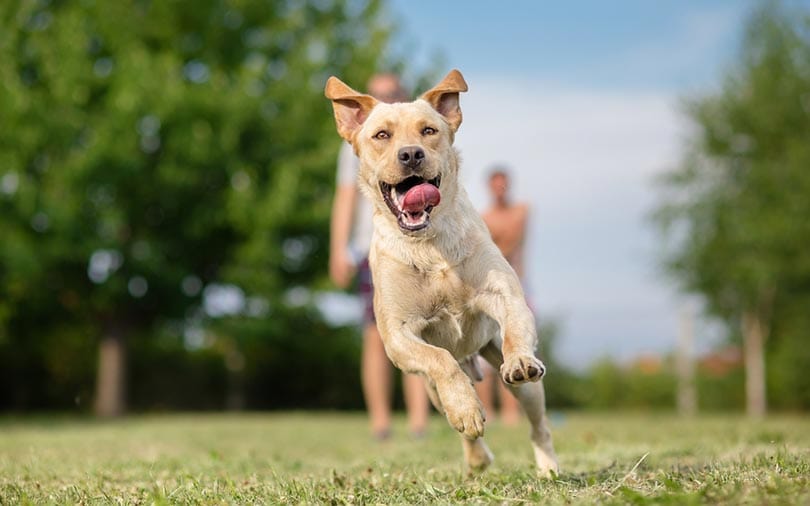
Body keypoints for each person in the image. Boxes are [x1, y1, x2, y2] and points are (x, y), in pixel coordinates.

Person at [329, 73, 429, 440]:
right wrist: (337, 249)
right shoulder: (358, 141)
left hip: (416, 243)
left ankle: (419, 422)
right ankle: (381, 423)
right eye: (380, 94)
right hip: (373, 248)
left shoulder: (418, 138)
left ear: (404, 96)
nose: (387, 98)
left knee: (417, 332)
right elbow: (345, 198)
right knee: (376, 335)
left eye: (394, 93)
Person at [475, 168, 529, 426]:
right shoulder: (483, 217)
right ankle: (489, 410)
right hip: (490, 285)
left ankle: (511, 412)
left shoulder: (521, 211)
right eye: (496, 185)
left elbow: (511, 240)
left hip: (518, 285)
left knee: (516, 345)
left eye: (503, 185)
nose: (500, 190)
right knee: (486, 351)